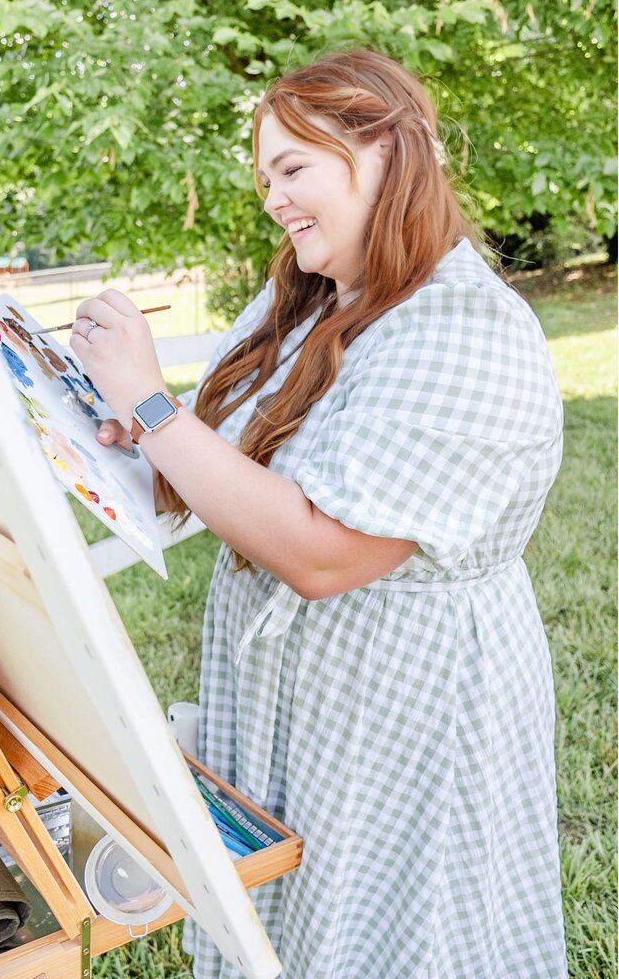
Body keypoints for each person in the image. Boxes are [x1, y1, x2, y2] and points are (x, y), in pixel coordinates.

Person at [69, 49, 568, 978]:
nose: (272, 196)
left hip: (407, 711)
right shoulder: (307, 298)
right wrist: (112, 423)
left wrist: (152, 404)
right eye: (264, 177)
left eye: (293, 167)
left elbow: (325, 554)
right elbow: (210, 462)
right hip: (296, 701)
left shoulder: (466, 327)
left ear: (384, 149)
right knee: (296, 930)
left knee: (406, 936)